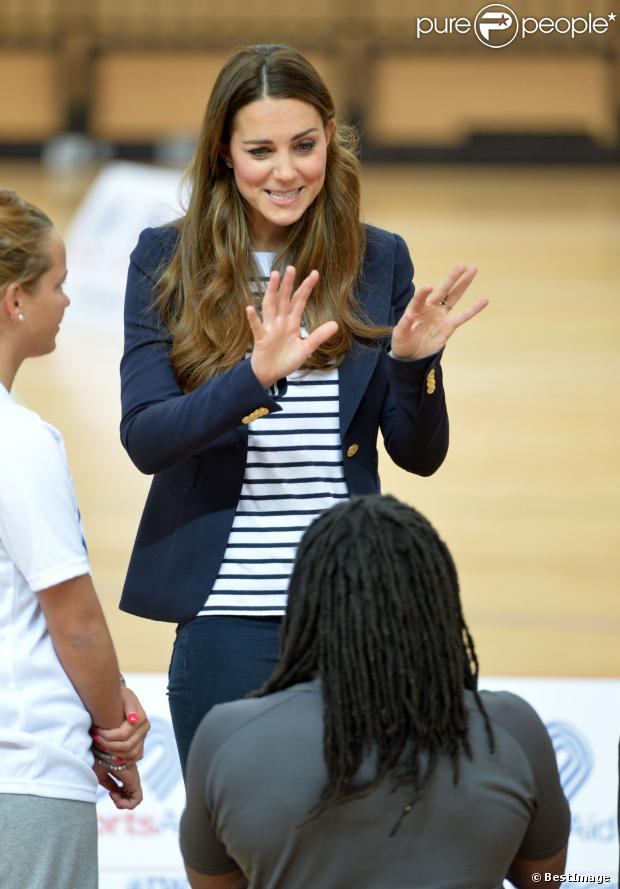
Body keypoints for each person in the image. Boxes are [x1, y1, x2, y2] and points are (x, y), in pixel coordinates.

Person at [119, 43, 488, 771]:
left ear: (329, 137)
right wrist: (250, 379)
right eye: (260, 150)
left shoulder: (376, 258)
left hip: (353, 607)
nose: (286, 171)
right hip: (224, 615)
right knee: (235, 853)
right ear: (224, 153)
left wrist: (416, 368)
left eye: (303, 145)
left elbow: (418, 454)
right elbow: (146, 438)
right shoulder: (165, 261)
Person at [180, 495, 571, 889]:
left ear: (308, 602)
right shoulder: (510, 728)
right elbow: (542, 878)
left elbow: (214, 884)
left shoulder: (227, 735)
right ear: (436, 599)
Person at [0, 189, 150, 889]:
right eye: (57, 285)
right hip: (23, 772)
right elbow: (76, 622)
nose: (66, 301)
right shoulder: (19, 441)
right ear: (14, 300)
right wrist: (115, 722)